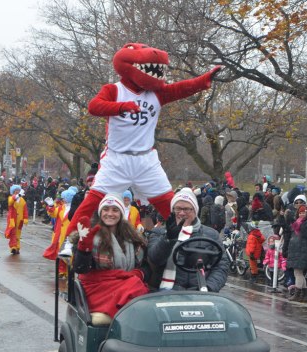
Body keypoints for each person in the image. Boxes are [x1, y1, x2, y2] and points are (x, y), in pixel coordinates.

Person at [66, 43, 222, 235]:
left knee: (172, 205)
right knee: (91, 204)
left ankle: (190, 241)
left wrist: (205, 79)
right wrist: (121, 107)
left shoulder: (157, 93)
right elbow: (94, 106)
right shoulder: (114, 90)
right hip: (117, 158)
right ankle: (69, 243)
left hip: (146, 159)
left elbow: (182, 88)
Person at [72, 193, 149, 325]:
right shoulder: (91, 234)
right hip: (99, 289)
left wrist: (138, 273)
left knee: (136, 286)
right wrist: (84, 248)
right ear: (100, 212)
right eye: (106, 209)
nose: (110, 214)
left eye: (115, 210)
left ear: (121, 213)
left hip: (123, 283)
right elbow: (81, 269)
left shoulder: (132, 237)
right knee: (134, 287)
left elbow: (145, 265)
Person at [147, 188, 229, 292]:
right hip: (166, 292)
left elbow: (221, 266)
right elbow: (155, 259)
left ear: (195, 210)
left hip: (200, 291)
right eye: (177, 209)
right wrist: (169, 238)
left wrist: (208, 287)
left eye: (186, 209)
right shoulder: (158, 232)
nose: (181, 213)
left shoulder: (211, 235)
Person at [286, 204, 307, 302]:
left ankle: (297, 293)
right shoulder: (296, 223)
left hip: (303, 250)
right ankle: (304, 294)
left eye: (304, 212)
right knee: (299, 273)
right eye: (300, 212)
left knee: (298, 272)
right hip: (296, 250)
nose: (302, 214)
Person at [6, 184, 29, 255]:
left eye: (18, 190)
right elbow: (10, 202)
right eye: (16, 190)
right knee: (12, 233)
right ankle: (13, 247)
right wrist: (17, 196)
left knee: (18, 234)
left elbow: (25, 210)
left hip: (20, 220)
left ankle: (17, 247)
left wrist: (25, 218)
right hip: (12, 219)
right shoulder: (11, 198)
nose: (17, 191)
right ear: (13, 191)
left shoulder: (23, 200)